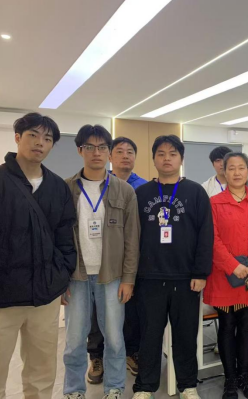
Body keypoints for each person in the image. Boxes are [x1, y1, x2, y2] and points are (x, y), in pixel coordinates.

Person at [0, 113, 76, 399]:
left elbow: (65, 238)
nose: (40, 143)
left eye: (47, 138)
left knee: (42, 375)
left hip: (45, 296)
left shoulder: (57, 187)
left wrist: (61, 278)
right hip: (0, 297)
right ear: (18, 138)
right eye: (33, 135)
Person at [133, 135, 214, 399]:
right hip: (149, 277)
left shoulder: (195, 192)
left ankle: (188, 385)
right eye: (161, 153)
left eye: (172, 154)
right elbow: (131, 236)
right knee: (149, 335)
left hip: (186, 278)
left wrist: (200, 272)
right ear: (154, 158)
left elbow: (206, 234)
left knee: (186, 335)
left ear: (181, 159)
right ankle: (145, 386)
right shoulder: (141, 193)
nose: (166, 158)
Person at [63, 125, 140, 399]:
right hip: (76, 276)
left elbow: (132, 239)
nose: (96, 152)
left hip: (113, 276)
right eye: (89, 147)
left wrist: (129, 278)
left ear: (108, 152)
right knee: (74, 340)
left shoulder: (124, 191)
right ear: (80, 150)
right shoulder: (66, 189)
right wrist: (60, 279)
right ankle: (73, 390)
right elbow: (57, 236)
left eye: (102, 147)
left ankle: (115, 387)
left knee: (115, 338)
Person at [204, 152, 248, 399]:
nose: (236, 172)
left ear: (247, 170)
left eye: (241, 167)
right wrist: (232, 265)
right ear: (224, 171)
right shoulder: (214, 203)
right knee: (227, 325)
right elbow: (212, 239)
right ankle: (230, 379)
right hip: (225, 275)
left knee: (246, 325)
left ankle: (245, 376)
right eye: (231, 168)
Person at [87, 137, 148, 383]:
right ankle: (97, 355)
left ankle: (131, 352)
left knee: (131, 310)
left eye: (130, 152)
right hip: (103, 260)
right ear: (110, 156)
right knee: (97, 310)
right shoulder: (98, 184)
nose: (125, 156)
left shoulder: (143, 188)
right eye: (119, 151)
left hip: (133, 260)